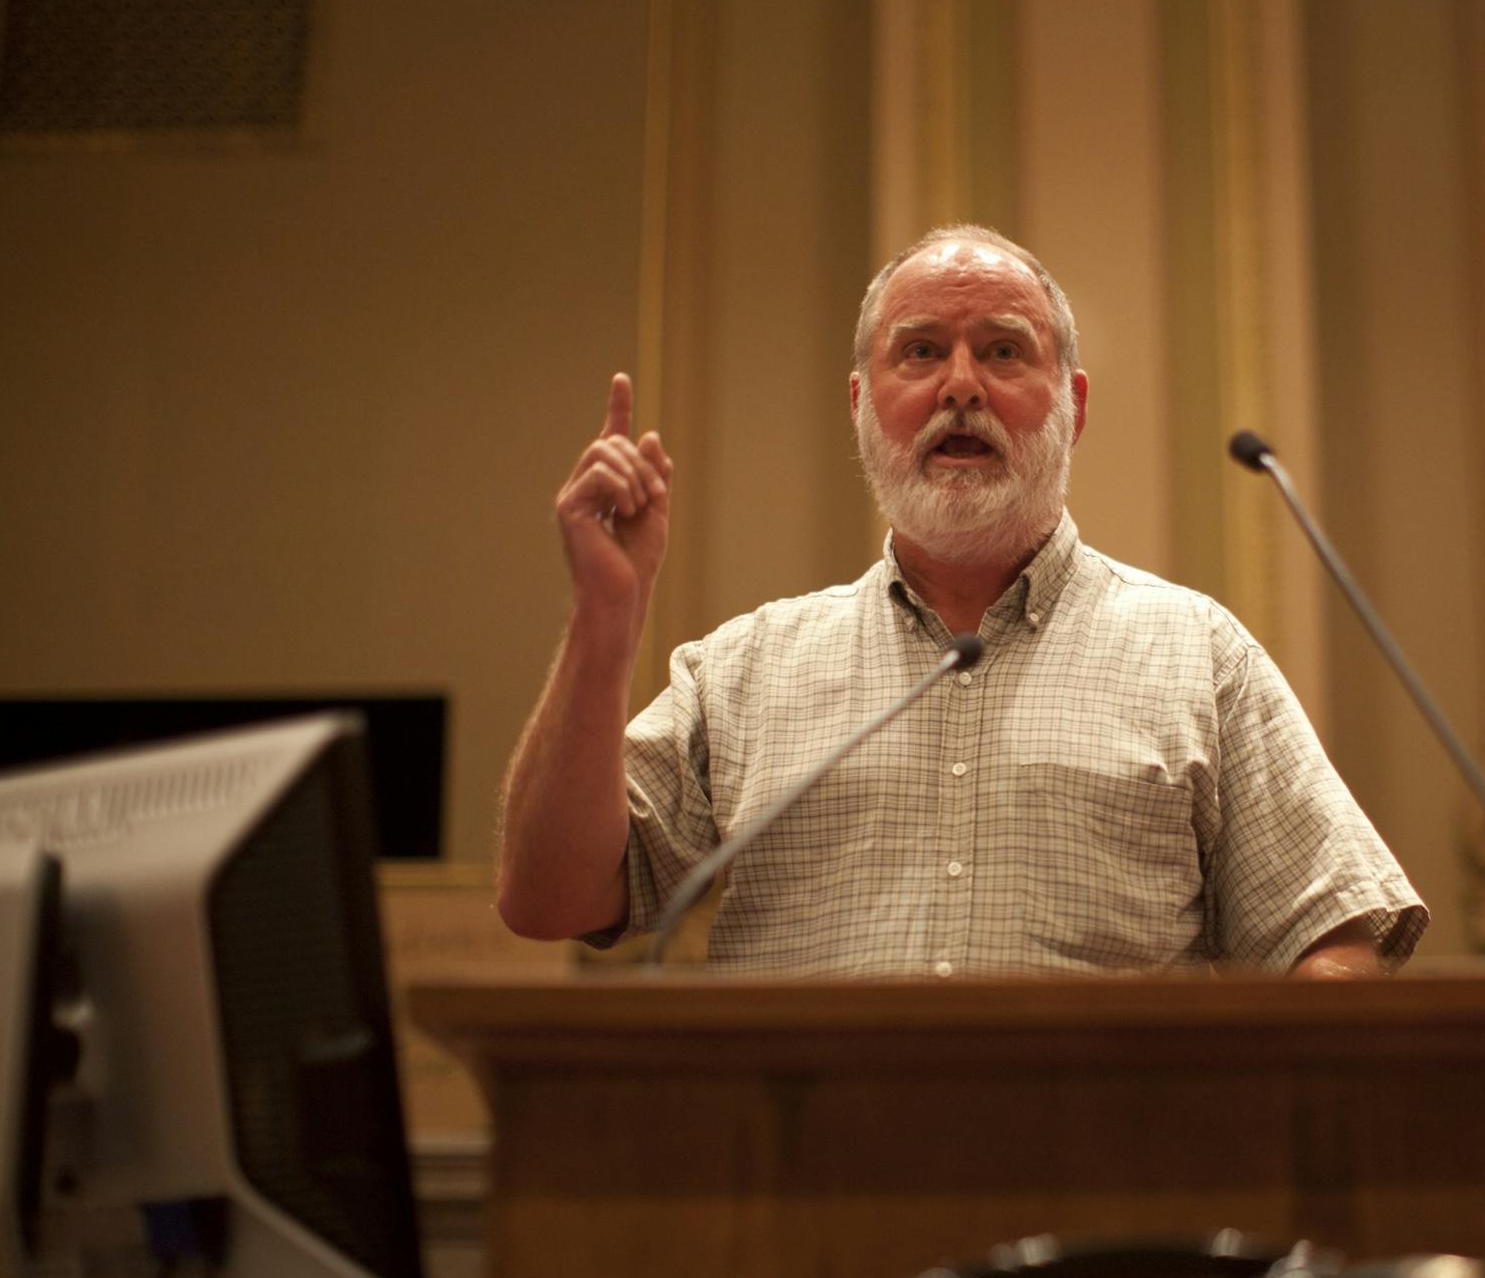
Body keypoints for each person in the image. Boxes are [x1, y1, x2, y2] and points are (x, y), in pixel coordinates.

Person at [495, 225, 1427, 977]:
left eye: (1004, 351)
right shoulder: (744, 669)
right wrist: (603, 624)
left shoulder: (1197, 653)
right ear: (861, 403)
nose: (961, 386)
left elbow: (1331, 932)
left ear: (1075, 404)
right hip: (805, 1192)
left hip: (1103, 1193)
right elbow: (552, 900)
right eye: (923, 352)